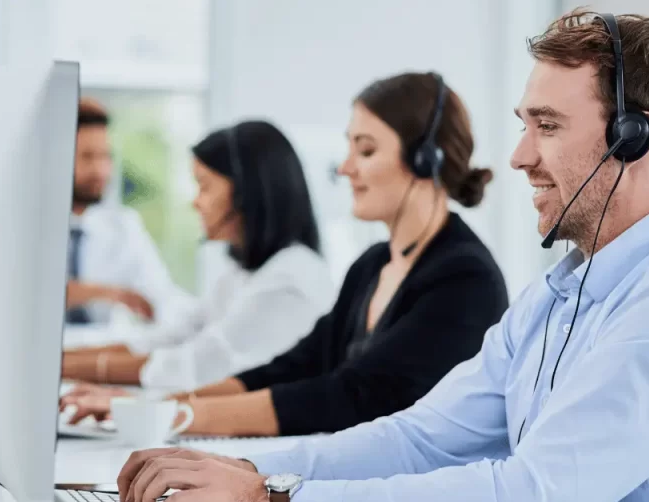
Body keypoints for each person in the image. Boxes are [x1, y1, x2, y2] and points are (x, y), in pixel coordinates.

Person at [112, 9, 649, 502]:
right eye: (524, 125)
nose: (518, 156)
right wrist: (241, 470)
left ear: (636, 138)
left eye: (546, 126)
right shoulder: (559, 297)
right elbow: (418, 439)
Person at [60, 71, 509, 439]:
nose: (345, 166)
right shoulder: (373, 264)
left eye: (366, 149)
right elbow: (293, 368)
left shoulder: (463, 279)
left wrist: (171, 416)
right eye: (349, 146)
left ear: (425, 160)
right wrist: (151, 409)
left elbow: (347, 396)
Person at [61, 120, 334, 391]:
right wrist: (62, 361)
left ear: (245, 193)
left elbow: (198, 364)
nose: (195, 202)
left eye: (204, 186)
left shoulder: (290, 277)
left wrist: (65, 369)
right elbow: (173, 337)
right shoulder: (241, 274)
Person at [65, 97, 193, 325]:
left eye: (106, 156)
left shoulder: (124, 225)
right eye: (87, 156)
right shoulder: (26, 228)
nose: (101, 170)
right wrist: (102, 293)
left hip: (100, 352)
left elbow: (162, 296)